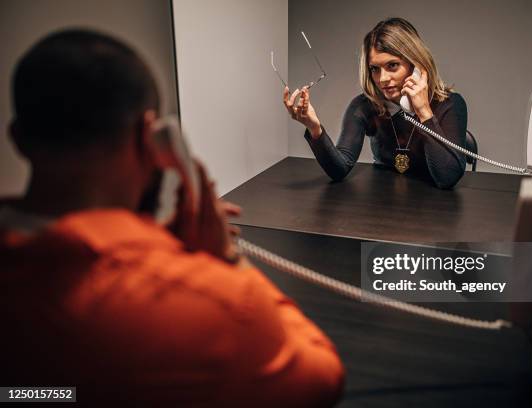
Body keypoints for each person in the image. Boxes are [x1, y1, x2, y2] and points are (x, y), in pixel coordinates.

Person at [0, 29, 344, 406]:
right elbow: (322, 378)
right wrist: (228, 261)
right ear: (152, 138)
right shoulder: (206, 298)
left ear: (17, 139)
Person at [284, 18, 468, 189]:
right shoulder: (365, 107)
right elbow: (339, 169)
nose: (383, 79)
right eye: (374, 69)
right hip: (381, 207)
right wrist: (315, 129)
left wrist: (423, 112)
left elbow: (447, 178)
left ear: (416, 65)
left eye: (392, 65)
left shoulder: (449, 104)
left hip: (435, 211)